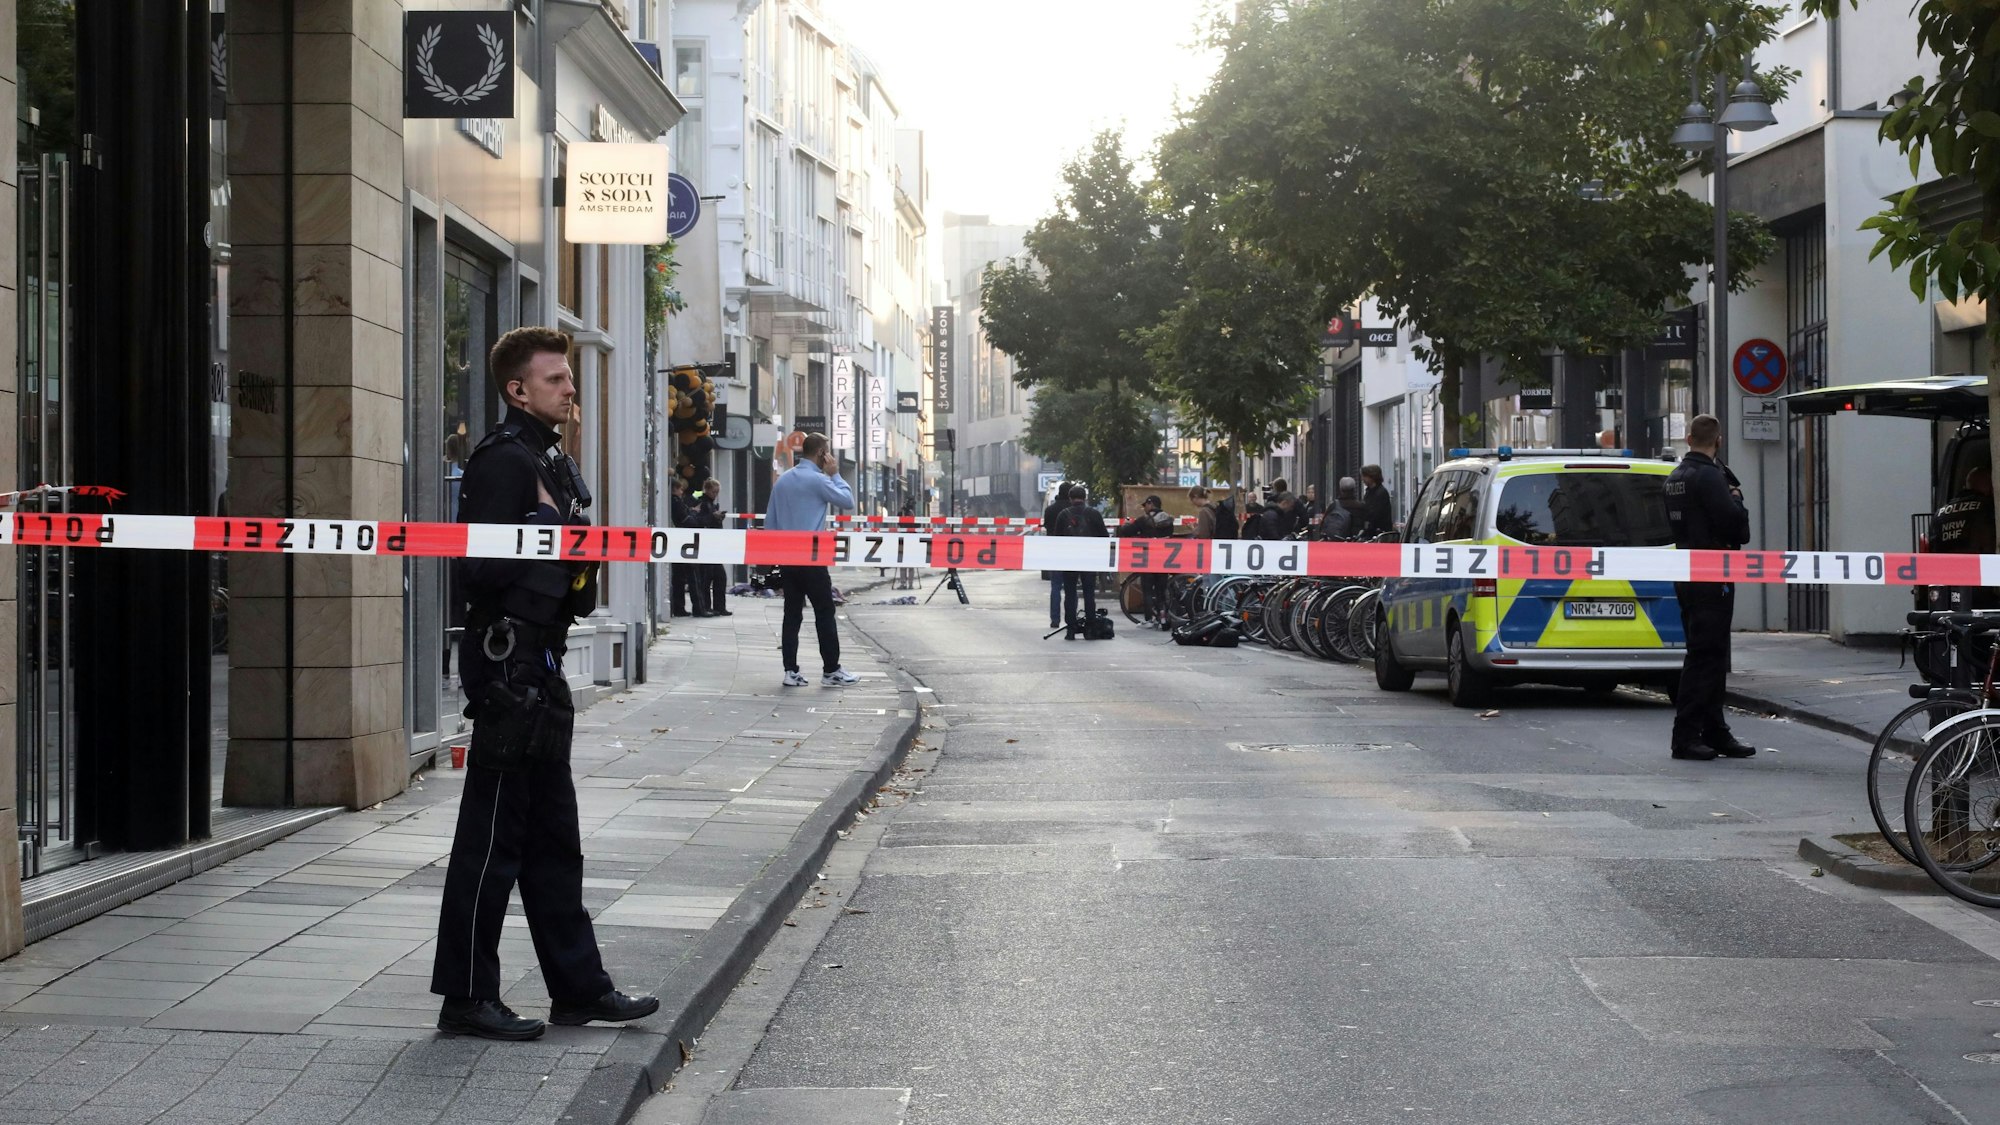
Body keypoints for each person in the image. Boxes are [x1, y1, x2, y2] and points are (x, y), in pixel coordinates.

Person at [431, 326, 658, 1041]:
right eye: (555, 378)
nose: (569, 387)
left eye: (569, 376)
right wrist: (543, 533)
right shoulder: (504, 460)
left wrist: (563, 542)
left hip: (544, 664)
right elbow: (476, 570)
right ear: (517, 389)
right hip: (509, 668)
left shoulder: (550, 458)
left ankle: (580, 990)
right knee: (491, 841)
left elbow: (573, 576)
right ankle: (466, 997)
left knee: (555, 840)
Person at [1664, 413, 1755, 762]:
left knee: (1709, 655)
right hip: (1712, 575)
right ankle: (1686, 736)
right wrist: (1737, 499)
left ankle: (1715, 731)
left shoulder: (1674, 477)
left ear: (1689, 440)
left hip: (1686, 573)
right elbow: (1736, 527)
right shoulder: (1710, 477)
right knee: (1705, 657)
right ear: (1718, 441)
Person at [767, 433, 860, 686]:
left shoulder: (783, 481)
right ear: (821, 453)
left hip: (787, 558)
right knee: (824, 612)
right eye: (827, 452)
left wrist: (774, 559)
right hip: (812, 558)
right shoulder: (819, 480)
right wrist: (835, 474)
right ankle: (831, 670)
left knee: (791, 615)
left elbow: (771, 523)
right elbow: (848, 501)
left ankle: (790, 671)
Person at [1932, 464, 1997, 610]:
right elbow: (1990, 542)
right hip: (1983, 583)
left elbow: (1933, 549)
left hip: (1947, 586)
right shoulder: (1988, 507)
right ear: (1990, 485)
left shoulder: (1940, 513)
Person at [1052, 483, 1109, 634]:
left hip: (1069, 559)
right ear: (1085, 498)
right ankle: (1090, 627)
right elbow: (1104, 536)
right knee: (1089, 593)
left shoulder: (1063, 515)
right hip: (1089, 558)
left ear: (1070, 499)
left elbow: (1057, 539)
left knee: (1070, 593)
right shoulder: (1094, 514)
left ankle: (1071, 629)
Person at [1122, 494, 1175, 626]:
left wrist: (1127, 524)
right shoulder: (1168, 519)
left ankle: (1149, 620)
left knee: (1147, 590)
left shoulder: (1144, 520)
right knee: (1161, 591)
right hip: (1164, 559)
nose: (1144, 508)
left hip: (1148, 559)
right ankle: (1162, 618)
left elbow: (1127, 531)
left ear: (1151, 504)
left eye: (1145, 505)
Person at [696, 478, 732, 616]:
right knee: (708, 577)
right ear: (707, 490)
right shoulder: (703, 504)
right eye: (713, 492)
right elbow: (700, 521)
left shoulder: (711, 504)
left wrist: (718, 518)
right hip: (706, 545)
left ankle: (718, 606)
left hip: (713, 544)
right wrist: (713, 517)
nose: (715, 495)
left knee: (719, 576)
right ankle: (707, 606)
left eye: (717, 492)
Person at [1041, 482, 1074, 628]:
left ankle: (1055, 619)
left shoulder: (1050, 510)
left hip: (1054, 551)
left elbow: (1047, 527)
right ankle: (1071, 619)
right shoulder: (1073, 511)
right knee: (1071, 587)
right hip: (1072, 552)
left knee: (1055, 586)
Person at [669, 478, 696, 616]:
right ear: (674, 489)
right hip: (679, 542)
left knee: (679, 577)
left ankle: (679, 608)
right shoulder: (675, 502)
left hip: (679, 541)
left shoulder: (675, 502)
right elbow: (684, 519)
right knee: (679, 577)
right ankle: (679, 608)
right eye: (680, 489)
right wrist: (694, 515)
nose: (681, 492)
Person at [1351, 465, 1395, 539]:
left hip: (1379, 533)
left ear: (1371, 477)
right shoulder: (1369, 492)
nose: (1362, 479)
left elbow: (1374, 514)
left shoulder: (1381, 493)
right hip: (1371, 532)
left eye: (1364, 476)